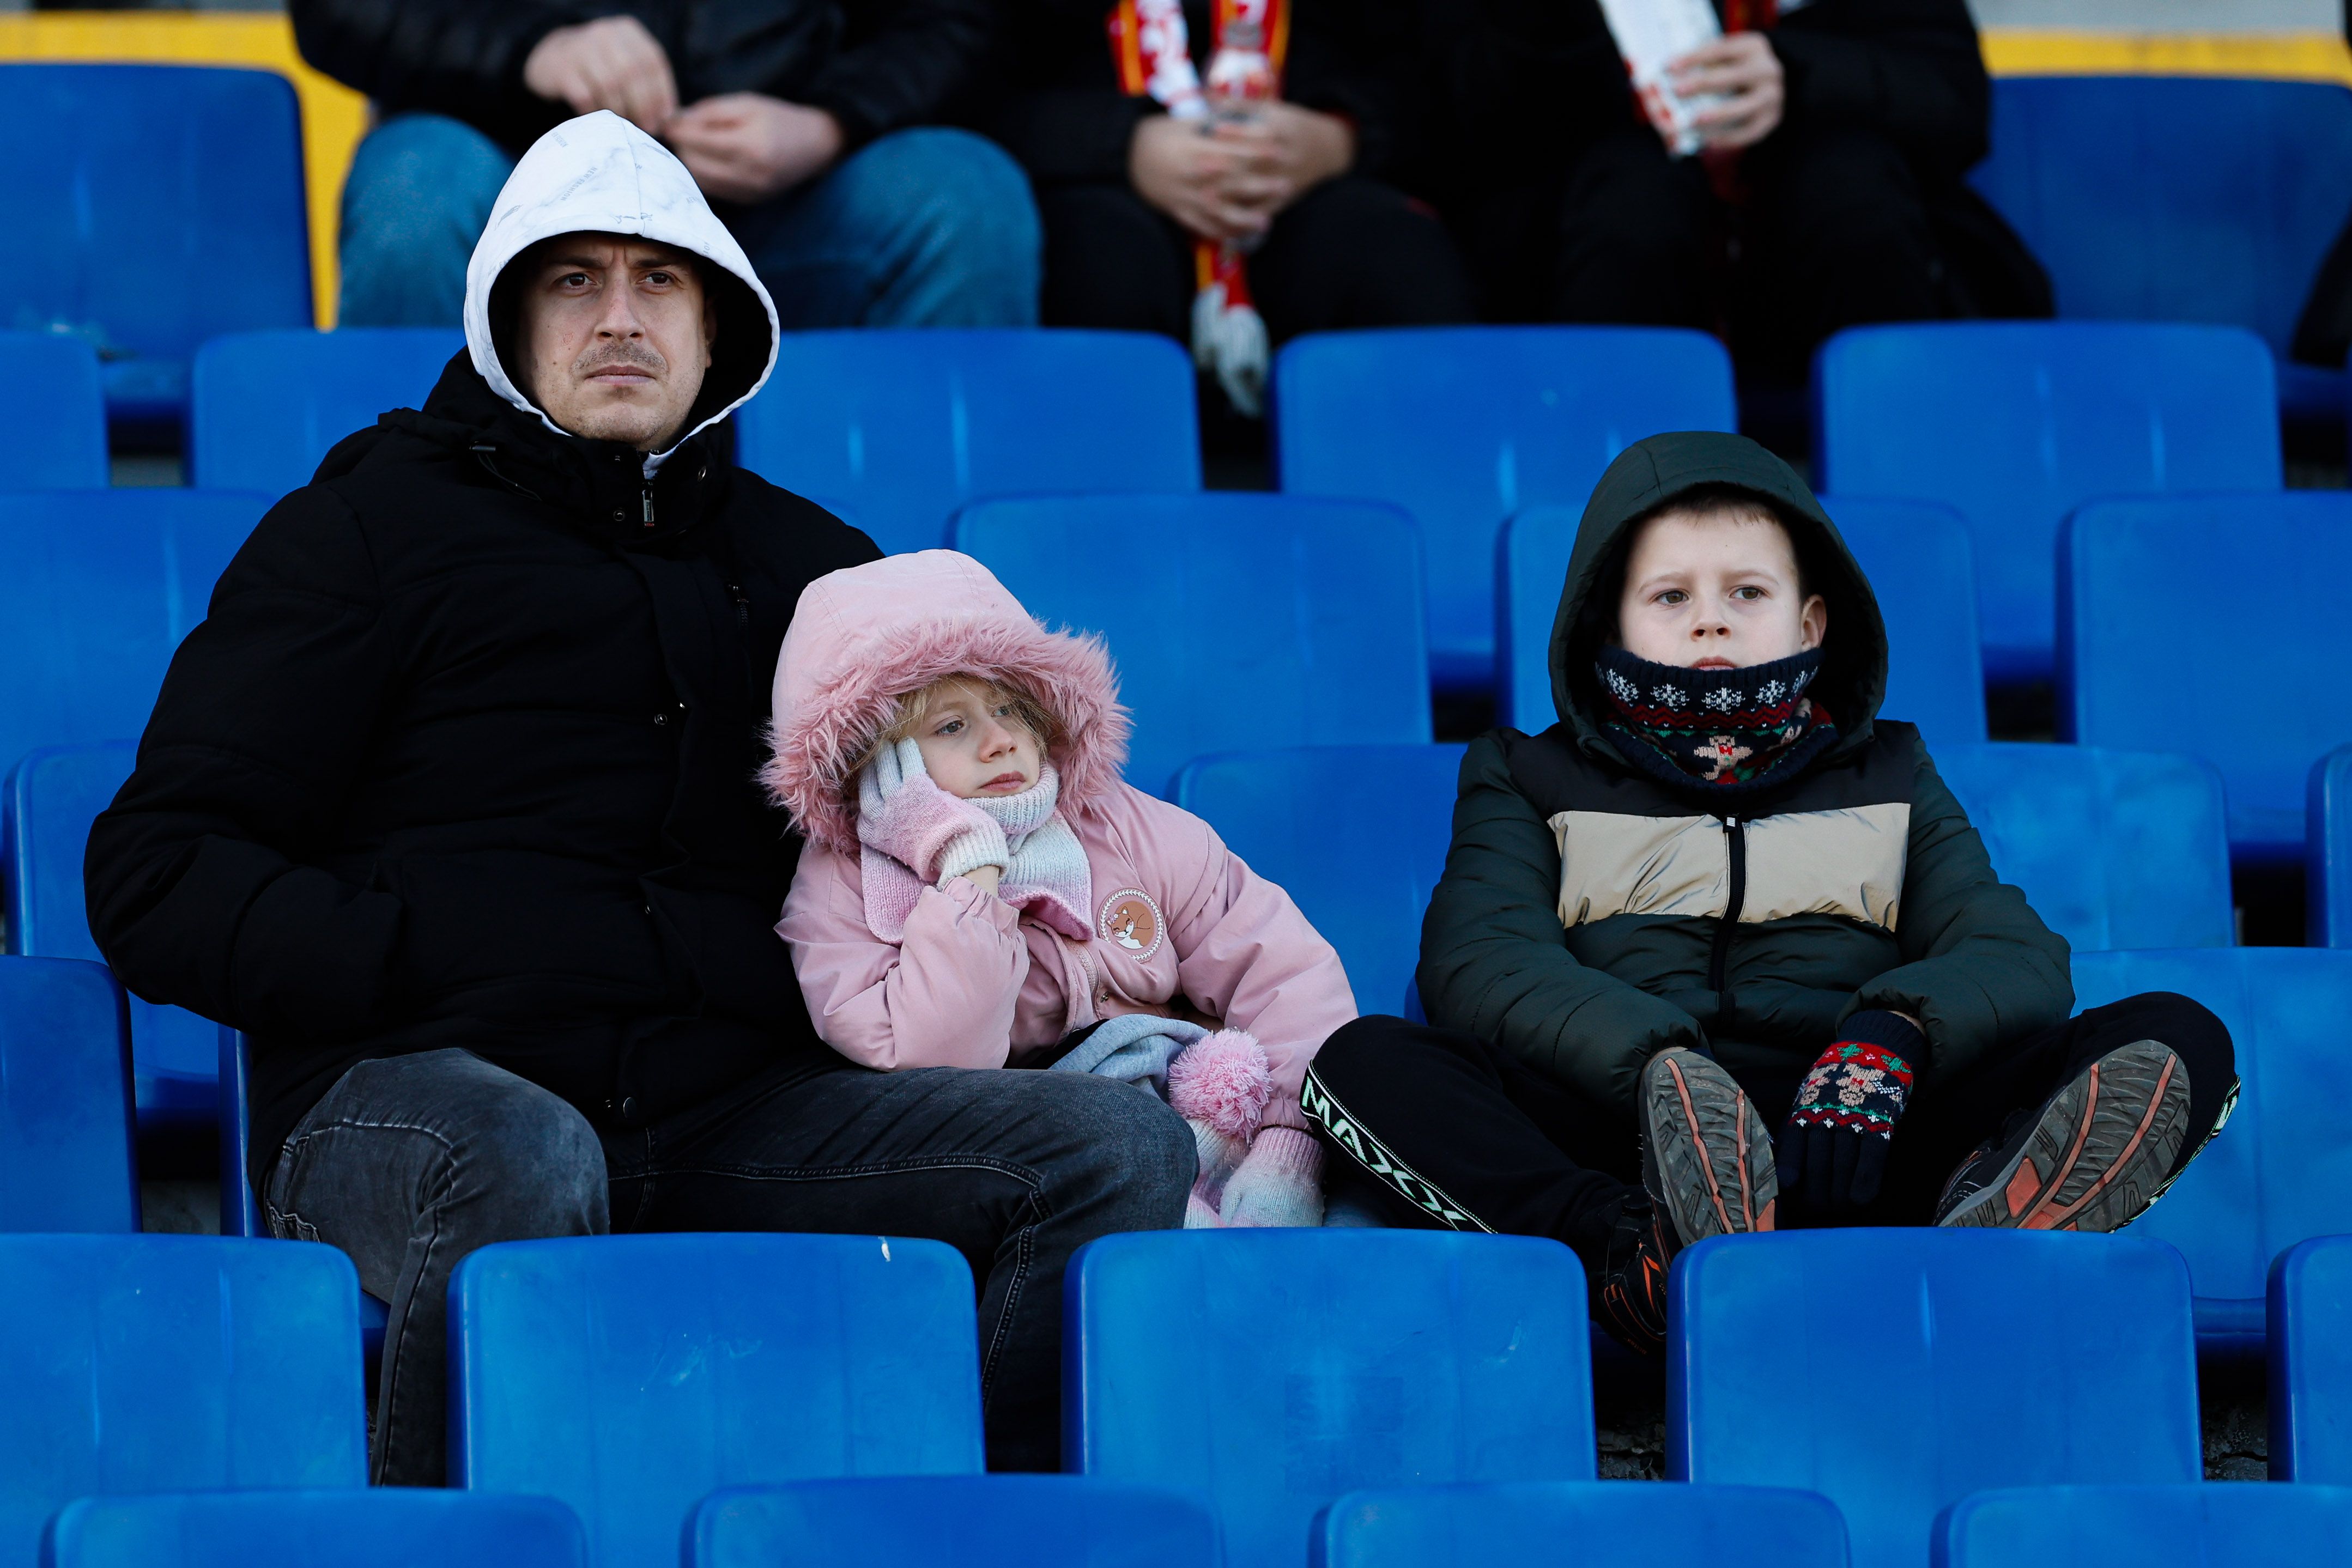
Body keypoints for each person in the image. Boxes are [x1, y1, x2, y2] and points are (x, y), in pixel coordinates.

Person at [84, 112, 1191, 1485]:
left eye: (659, 280)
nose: (619, 316)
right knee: (525, 1154)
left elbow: (959, 822)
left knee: (1108, 1147)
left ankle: (927, 1522)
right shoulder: (363, 532)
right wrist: (409, 953)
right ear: (510, 322)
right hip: (423, 1088)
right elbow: (157, 868)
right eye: (574, 281)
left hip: (737, 1109)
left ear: (717, 326)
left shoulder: (818, 571)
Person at [1301, 430, 2236, 1353]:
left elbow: (2011, 951)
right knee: (1361, 1061)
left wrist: (1891, 1037)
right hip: (1631, 1133)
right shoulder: (1526, 773)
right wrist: (1661, 1063)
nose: (1710, 620)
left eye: (1747, 592)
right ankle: (1637, 1256)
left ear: (1811, 624)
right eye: (1670, 595)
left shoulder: (1893, 772)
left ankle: (1974, 1227)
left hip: (1864, 1127)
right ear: (1607, 626)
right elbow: (1482, 959)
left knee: (2181, 1031)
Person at [771, 549, 1350, 1226]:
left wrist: (1288, 1146)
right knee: (1167, 1243)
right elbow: (939, 1066)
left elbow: (1281, 968)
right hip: (1064, 1160)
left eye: (1010, 709)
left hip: (1217, 1113)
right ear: (873, 760)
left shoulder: (1115, 822)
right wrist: (968, 871)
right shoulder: (843, 892)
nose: (1000, 741)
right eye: (951, 725)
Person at [294, 0, 1039, 329]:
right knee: (418, 187)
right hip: (513, 195)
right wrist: (534, 49)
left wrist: (830, 122)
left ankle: (926, 584)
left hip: (783, 216)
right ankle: (403, 549)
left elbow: (957, 20)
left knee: (962, 197)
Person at [1411, 0, 2048, 378]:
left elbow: (1955, 104)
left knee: (1847, 181)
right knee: (1633, 197)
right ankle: (1598, 520)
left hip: (1821, 265)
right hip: (1606, 263)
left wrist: (1794, 71)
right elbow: (1457, 121)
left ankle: (1897, 503)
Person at [987, 0, 1472, 418]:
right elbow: (976, 87)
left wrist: (1343, 134)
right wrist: (1118, 143)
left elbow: (1455, 83)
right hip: (1097, 175)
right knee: (1103, 262)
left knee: (1396, 256)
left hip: (1309, 174)